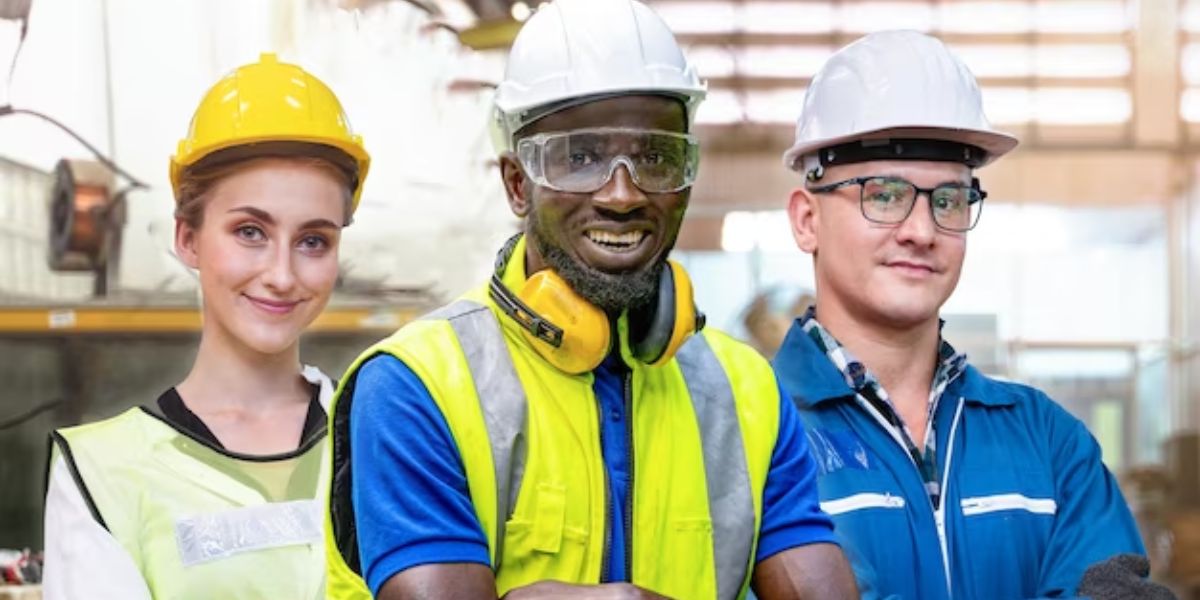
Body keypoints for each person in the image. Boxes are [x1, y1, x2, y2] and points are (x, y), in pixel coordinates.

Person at [323, 1, 857, 598]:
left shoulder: (746, 393)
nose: (622, 194)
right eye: (580, 158)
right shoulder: (416, 386)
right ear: (517, 184)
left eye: (655, 157)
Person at [773, 30, 1150, 599]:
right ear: (807, 220)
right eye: (883, 194)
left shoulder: (1049, 442)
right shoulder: (753, 432)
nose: (922, 231)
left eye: (948, 200)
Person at [42, 53, 369, 599]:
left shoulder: (383, 439)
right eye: (249, 232)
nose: (282, 275)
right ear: (187, 238)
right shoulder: (100, 474)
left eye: (313, 240)